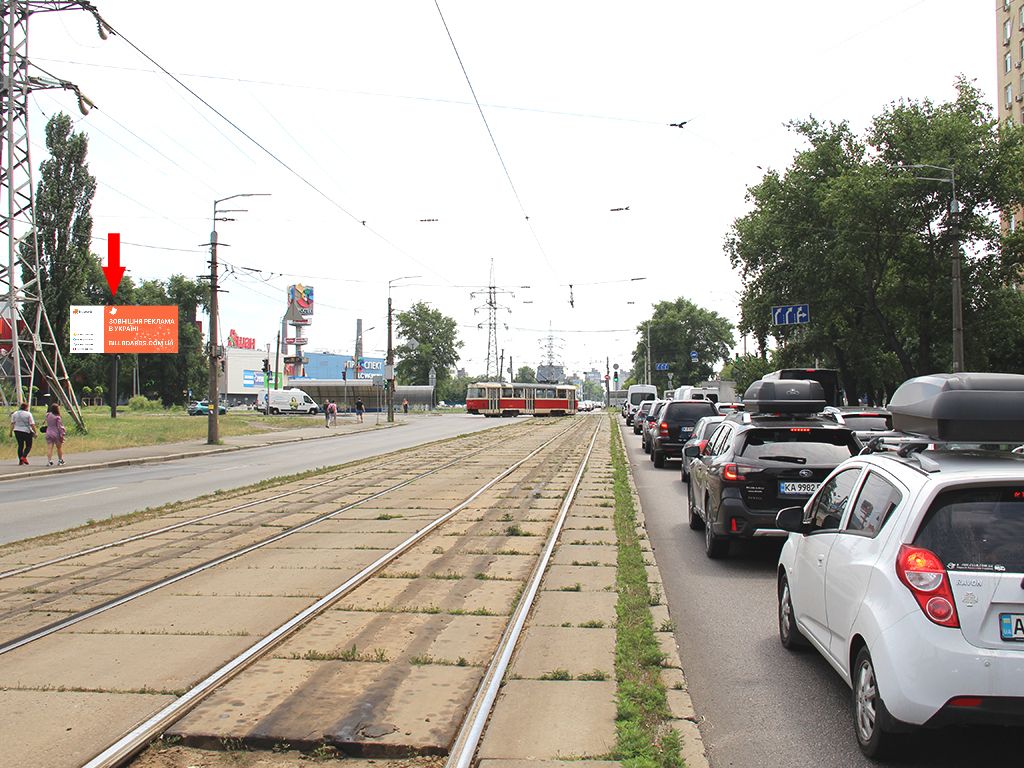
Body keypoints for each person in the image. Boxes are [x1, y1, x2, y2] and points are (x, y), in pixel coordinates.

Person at [9, 401, 36, 466]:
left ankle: (20, 461)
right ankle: (23, 457)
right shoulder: (28, 414)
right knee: (28, 445)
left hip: (17, 430)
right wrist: (35, 432)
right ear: (26, 407)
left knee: (20, 445)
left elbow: (12, 423)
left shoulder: (15, 414)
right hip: (26, 431)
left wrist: (10, 432)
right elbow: (32, 424)